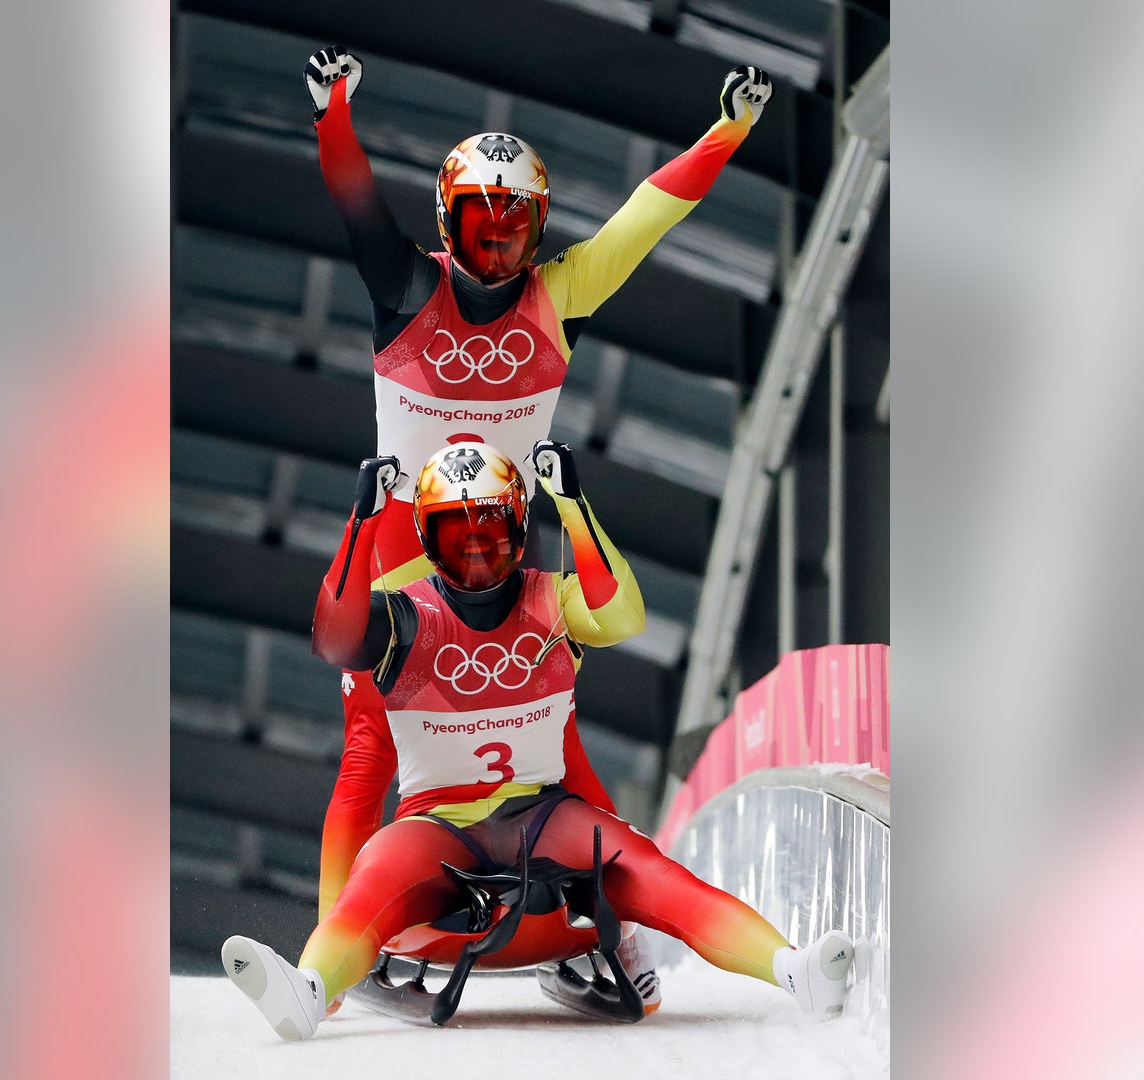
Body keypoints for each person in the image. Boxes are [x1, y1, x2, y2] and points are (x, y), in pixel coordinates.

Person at [299, 43, 775, 1014]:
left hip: (499, 544)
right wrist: (333, 118)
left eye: (516, 227)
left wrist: (724, 133)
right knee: (370, 747)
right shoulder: (405, 289)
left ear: (537, 231)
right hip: (402, 556)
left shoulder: (561, 294)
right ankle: (329, 962)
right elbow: (356, 205)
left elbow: (645, 218)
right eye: (481, 224)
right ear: (449, 224)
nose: (499, 247)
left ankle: (617, 928)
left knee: (552, 741)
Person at [220, 442, 854, 1040]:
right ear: (426, 541)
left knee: (646, 867)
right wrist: (360, 523)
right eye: (455, 533)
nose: (476, 550)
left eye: (491, 531)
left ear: (519, 530)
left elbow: (623, 615)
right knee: (378, 873)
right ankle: (308, 990)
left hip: (541, 815)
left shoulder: (554, 599)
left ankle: (795, 970)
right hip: (439, 824)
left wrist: (576, 506)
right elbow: (334, 638)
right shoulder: (401, 616)